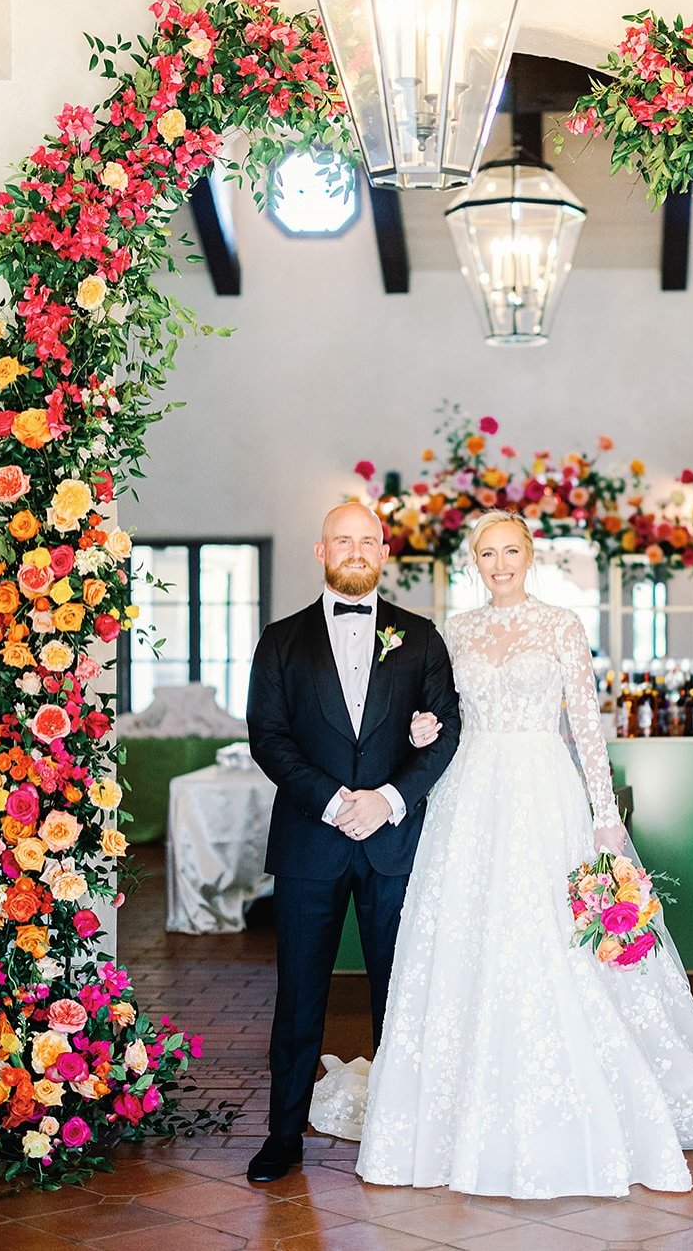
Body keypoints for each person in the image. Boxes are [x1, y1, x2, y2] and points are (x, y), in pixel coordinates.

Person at [346, 509, 693, 1198]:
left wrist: (605, 819)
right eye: (486, 554)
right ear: (474, 562)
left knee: (550, 934)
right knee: (469, 934)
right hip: (468, 794)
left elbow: (586, 728)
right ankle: (460, 1109)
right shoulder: (454, 631)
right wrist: (423, 725)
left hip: (542, 790)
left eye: (509, 550)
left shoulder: (560, 625)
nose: (499, 564)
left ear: (530, 554)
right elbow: (442, 716)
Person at [245, 502, 461, 1183]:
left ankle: (398, 1134)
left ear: (385, 551)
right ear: (321, 551)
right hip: (310, 841)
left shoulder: (420, 637)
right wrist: (338, 802)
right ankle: (283, 1134)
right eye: (343, 539)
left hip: (394, 843)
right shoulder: (281, 640)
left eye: (368, 540)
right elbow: (268, 737)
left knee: (398, 993)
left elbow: (446, 730)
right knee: (299, 994)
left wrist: (387, 799)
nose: (357, 550)